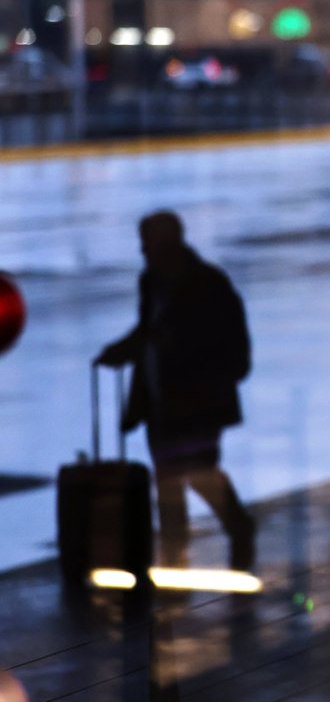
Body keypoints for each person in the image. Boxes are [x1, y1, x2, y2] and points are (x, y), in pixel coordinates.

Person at [95, 210, 255, 570]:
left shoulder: (208, 285)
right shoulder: (155, 282)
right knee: (172, 483)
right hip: (163, 402)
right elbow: (148, 332)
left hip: (194, 404)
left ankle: (236, 532)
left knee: (197, 476)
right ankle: (178, 558)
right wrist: (121, 352)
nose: (143, 251)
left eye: (147, 243)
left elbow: (228, 350)